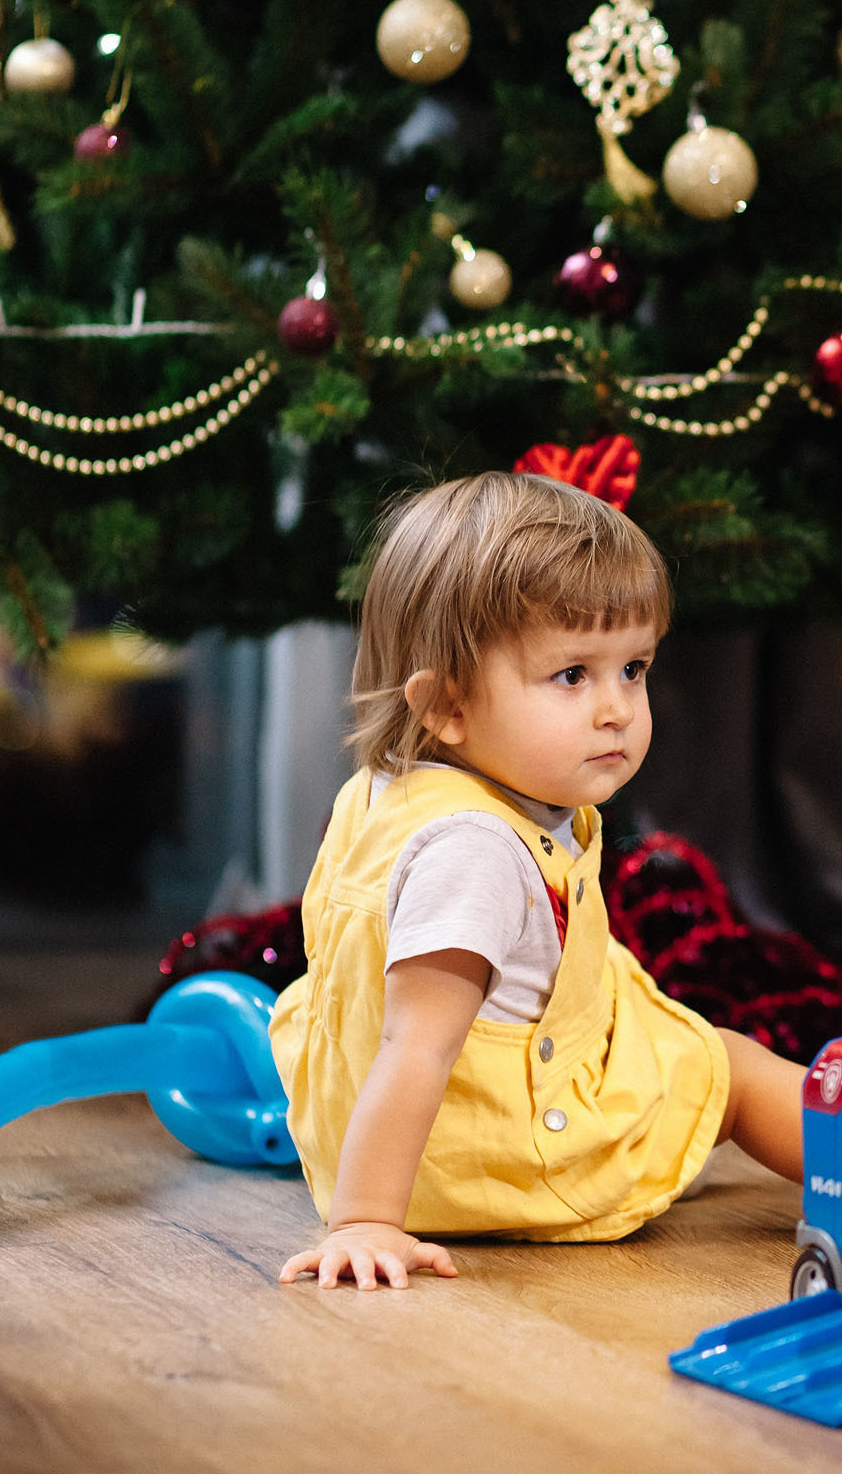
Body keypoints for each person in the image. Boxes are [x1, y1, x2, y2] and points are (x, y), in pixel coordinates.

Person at [271, 472, 806, 1291]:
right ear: (447, 706)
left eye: (633, 668)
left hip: (412, 1129)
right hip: (498, 1153)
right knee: (728, 1068)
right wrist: (369, 1221)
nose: (617, 709)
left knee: (665, 1034)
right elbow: (416, 1046)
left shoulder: (396, 790)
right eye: (572, 677)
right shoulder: (473, 852)